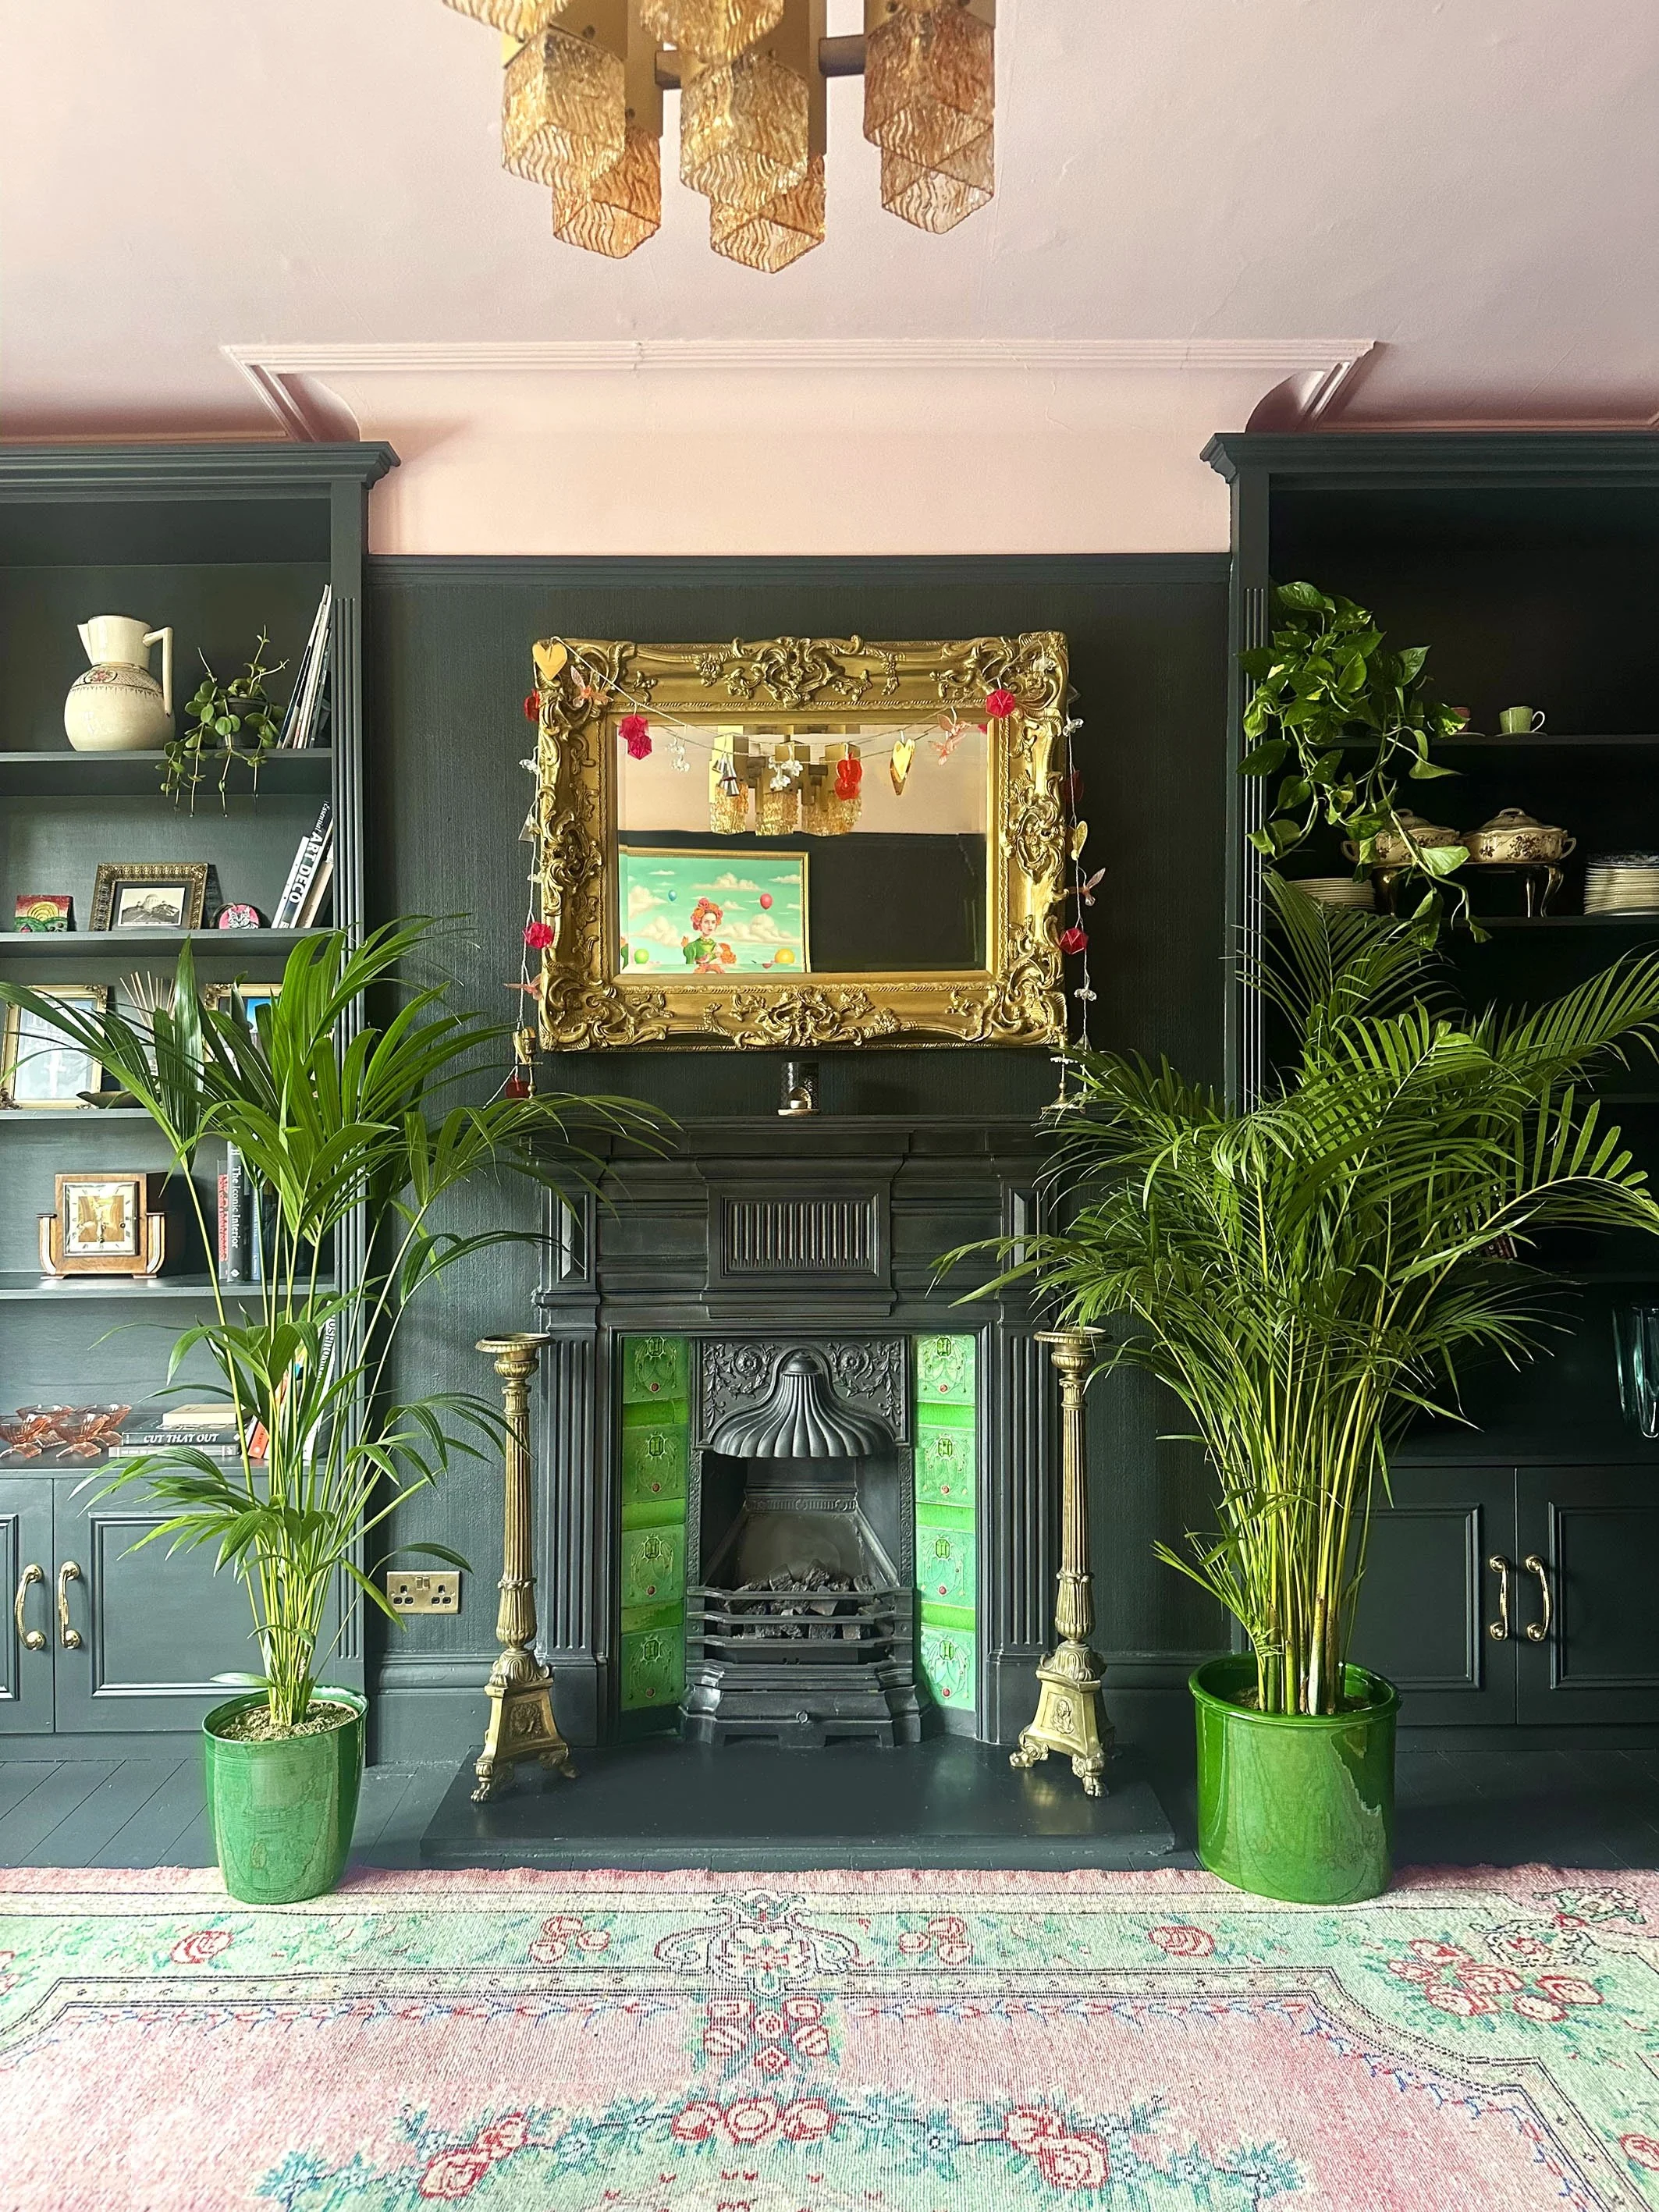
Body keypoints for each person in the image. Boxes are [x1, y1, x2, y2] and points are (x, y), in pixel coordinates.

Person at [682, 897, 736, 972]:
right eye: (706, 922)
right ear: (699, 924)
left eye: (713, 922)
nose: (710, 925)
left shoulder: (716, 946)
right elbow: (689, 970)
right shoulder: (693, 946)